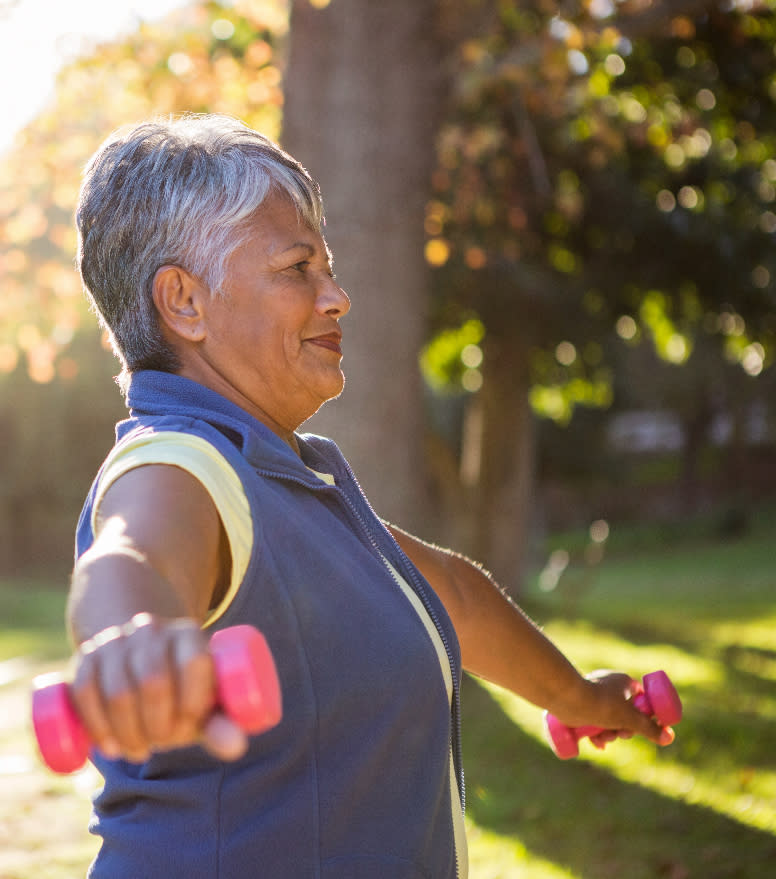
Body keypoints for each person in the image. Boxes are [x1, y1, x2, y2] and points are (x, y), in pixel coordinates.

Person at [64, 113, 673, 879]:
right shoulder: (183, 463)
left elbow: (450, 593)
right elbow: (135, 552)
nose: (338, 297)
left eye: (330, 268)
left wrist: (580, 696)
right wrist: (134, 637)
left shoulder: (289, 481)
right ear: (184, 302)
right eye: (297, 269)